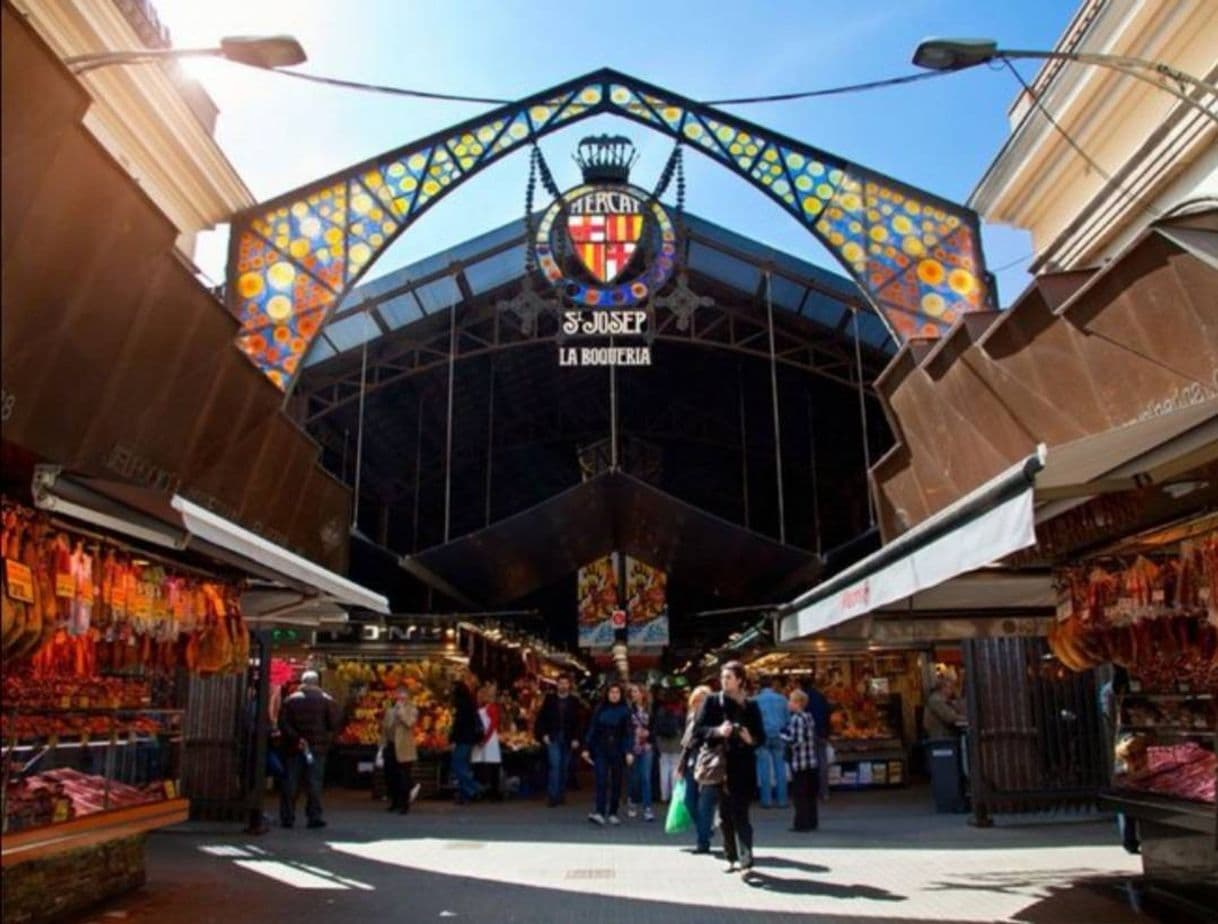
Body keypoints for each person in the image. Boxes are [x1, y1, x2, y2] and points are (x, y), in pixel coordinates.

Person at [687, 661, 765, 872]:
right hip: (719, 766)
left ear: (740, 680)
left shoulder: (751, 705)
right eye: (722, 677)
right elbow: (698, 731)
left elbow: (761, 737)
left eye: (729, 677)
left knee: (741, 812)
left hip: (743, 765)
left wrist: (751, 739)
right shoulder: (712, 702)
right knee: (724, 815)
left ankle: (746, 854)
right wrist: (718, 732)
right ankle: (731, 856)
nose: (724, 681)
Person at [278, 670, 340, 829]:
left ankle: (287, 816)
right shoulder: (327, 700)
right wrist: (325, 740)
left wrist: (297, 738)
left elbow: (283, 724)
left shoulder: (290, 700)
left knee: (291, 782)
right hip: (317, 748)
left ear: (302, 682)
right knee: (314, 783)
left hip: (294, 747)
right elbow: (333, 724)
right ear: (317, 682)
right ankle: (314, 816)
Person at [581, 682, 634, 826]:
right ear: (607, 694)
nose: (614, 695)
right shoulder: (599, 709)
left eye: (617, 693)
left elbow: (629, 732)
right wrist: (586, 747)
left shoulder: (625, 711)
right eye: (612, 692)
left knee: (617, 781)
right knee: (601, 780)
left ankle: (613, 812)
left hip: (618, 748)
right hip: (601, 748)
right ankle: (599, 811)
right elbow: (592, 729)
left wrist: (629, 751)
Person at [534, 674, 583, 806]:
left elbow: (579, 722)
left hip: (568, 738)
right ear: (557, 684)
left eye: (565, 683)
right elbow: (542, 718)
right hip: (553, 737)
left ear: (569, 685)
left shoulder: (574, 701)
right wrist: (543, 734)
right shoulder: (549, 700)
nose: (563, 686)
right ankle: (553, 796)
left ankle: (561, 794)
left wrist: (577, 738)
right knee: (554, 765)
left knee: (564, 767)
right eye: (561, 683)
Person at [675, 684, 712, 852]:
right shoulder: (691, 717)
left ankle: (702, 841)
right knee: (689, 801)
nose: (699, 703)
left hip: (708, 764)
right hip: (692, 762)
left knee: (705, 804)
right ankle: (705, 829)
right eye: (696, 700)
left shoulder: (715, 717)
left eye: (703, 700)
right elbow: (687, 744)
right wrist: (681, 764)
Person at [781, 689, 819, 832]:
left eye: (790, 700)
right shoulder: (809, 717)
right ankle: (812, 821)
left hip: (800, 761)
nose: (788, 703)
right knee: (810, 794)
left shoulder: (796, 719)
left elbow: (796, 741)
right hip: (811, 761)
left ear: (798, 703)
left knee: (800, 794)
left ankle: (801, 823)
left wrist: (783, 737)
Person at [449, 670, 486, 804]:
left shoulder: (462, 705)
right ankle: (465, 795)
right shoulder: (470, 702)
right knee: (463, 765)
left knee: (457, 764)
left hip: (463, 738)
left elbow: (459, 724)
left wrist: (452, 738)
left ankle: (474, 787)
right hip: (469, 738)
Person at [754, 676, 790, 809]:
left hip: (762, 735)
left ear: (760, 686)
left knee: (764, 768)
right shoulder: (782, 699)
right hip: (779, 734)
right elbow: (788, 719)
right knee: (780, 767)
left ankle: (766, 800)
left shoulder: (755, 701)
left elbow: (753, 720)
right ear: (772, 685)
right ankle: (782, 800)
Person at [382, 687, 420, 813]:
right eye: (398, 697)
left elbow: (410, 723)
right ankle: (394, 801)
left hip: (404, 747)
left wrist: (401, 711)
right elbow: (386, 728)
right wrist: (382, 745)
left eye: (403, 698)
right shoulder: (390, 711)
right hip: (391, 745)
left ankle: (405, 804)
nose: (400, 700)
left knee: (404, 776)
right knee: (391, 776)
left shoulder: (412, 710)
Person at [626, 684, 655, 821]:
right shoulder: (628, 710)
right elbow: (625, 729)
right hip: (633, 746)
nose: (634, 694)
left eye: (636, 691)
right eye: (632, 692)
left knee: (645, 777)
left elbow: (656, 727)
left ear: (643, 693)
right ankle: (632, 801)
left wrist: (650, 735)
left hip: (646, 747)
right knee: (634, 777)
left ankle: (647, 808)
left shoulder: (651, 709)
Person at [802, 675, 833, 802]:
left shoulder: (802, 698)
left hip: (808, 734)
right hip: (821, 732)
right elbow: (827, 713)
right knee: (822, 763)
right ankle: (824, 792)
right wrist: (827, 731)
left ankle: (811, 791)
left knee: (809, 763)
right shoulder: (821, 696)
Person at [653, 692, 685, 804]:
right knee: (675, 769)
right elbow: (682, 726)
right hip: (676, 742)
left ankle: (663, 796)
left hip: (662, 743)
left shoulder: (660, 710)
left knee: (664, 769)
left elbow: (656, 727)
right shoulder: (679, 710)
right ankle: (674, 795)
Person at [473, 682, 503, 801]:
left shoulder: (492, 708)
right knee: (483, 765)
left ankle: (493, 791)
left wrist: (484, 739)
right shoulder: (482, 707)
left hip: (489, 739)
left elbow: (493, 725)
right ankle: (484, 789)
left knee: (491, 766)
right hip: (484, 739)